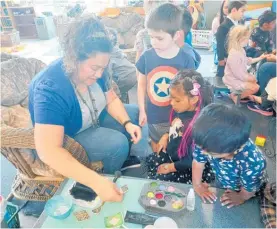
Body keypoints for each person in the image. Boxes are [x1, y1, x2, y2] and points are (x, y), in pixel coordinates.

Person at [28, 15, 152, 203]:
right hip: (72, 133)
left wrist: (127, 123)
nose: (100, 74)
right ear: (74, 58)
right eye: (94, 68)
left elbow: (111, 99)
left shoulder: (98, 68)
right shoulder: (50, 88)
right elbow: (48, 150)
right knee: (117, 144)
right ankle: (108, 182)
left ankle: (126, 164)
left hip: (93, 116)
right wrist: (97, 182)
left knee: (135, 114)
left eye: (103, 68)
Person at [136, 3, 195, 152]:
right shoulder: (146, 57)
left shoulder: (186, 60)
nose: (154, 42)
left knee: (175, 148)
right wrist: (142, 110)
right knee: (157, 148)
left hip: (177, 117)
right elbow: (141, 84)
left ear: (176, 35)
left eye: (160, 38)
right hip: (154, 116)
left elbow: (190, 91)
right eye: (151, 37)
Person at [192, 103, 267, 208]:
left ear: (232, 150)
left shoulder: (253, 161)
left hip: (248, 189)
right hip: (222, 179)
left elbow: (250, 189)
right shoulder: (206, 143)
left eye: (210, 153)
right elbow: (198, 162)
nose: (203, 152)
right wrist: (197, 185)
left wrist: (241, 197)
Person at [146, 70, 214, 184]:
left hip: (186, 166)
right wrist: (166, 135)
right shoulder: (183, 108)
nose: (171, 103)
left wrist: (171, 167)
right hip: (175, 154)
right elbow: (175, 126)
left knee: (161, 183)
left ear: (194, 99)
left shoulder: (197, 127)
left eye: (176, 100)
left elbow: (192, 160)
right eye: (171, 98)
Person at [223, 25, 267, 104]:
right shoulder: (234, 54)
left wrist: (260, 57)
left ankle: (241, 95)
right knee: (256, 87)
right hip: (233, 79)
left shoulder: (241, 50)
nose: (248, 40)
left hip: (238, 77)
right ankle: (234, 96)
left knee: (254, 83)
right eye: (247, 38)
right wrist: (249, 78)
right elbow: (238, 74)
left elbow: (247, 61)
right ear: (240, 38)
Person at [216, 0, 247, 77]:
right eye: (242, 11)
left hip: (236, 55)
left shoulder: (239, 22)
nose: (243, 14)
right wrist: (221, 59)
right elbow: (220, 44)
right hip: (228, 58)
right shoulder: (224, 26)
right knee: (225, 78)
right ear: (234, 10)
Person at [107, 27, 137, 103]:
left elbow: (108, 73)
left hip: (122, 79)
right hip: (131, 75)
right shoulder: (117, 51)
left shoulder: (109, 54)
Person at [211, 0, 229, 72]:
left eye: (229, 7)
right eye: (225, 7)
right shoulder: (217, 20)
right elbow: (217, 39)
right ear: (222, 8)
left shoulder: (237, 20)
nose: (228, 10)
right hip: (220, 45)